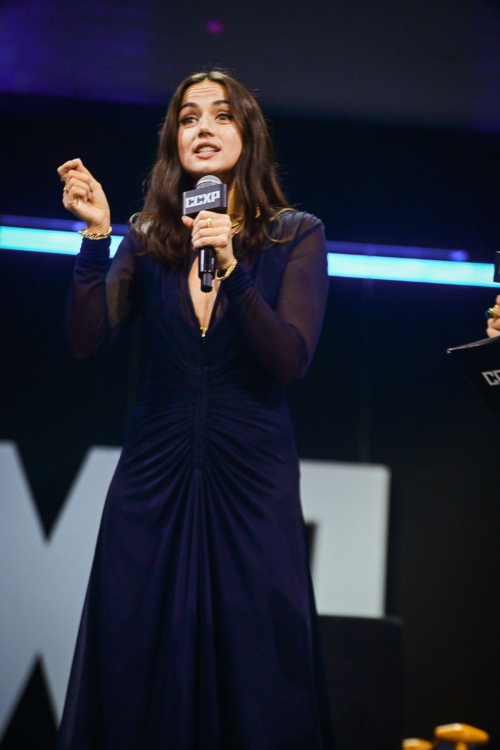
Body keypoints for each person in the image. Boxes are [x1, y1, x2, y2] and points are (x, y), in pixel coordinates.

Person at [55, 70, 334, 749]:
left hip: (252, 479)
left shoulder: (295, 235)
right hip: (154, 476)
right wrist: (96, 241)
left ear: (248, 135)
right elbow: (88, 341)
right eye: (187, 118)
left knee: (259, 673)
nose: (202, 128)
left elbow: (290, 359)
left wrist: (233, 271)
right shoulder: (149, 237)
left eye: (220, 115)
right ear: (173, 140)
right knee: (134, 658)